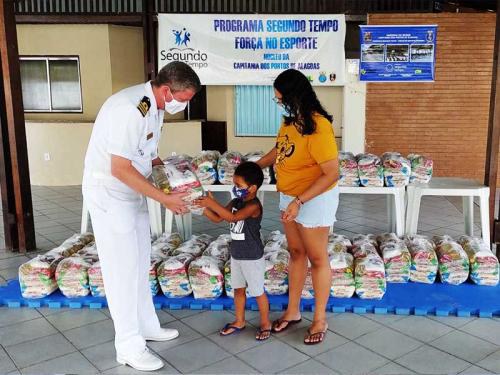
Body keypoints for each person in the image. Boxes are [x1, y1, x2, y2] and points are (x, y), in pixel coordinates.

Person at [82, 61, 201, 371]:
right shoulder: (129, 109)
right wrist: (165, 199)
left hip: (132, 191)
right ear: (166, 90)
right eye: (184, 99)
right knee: (120, 270)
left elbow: (148, 155)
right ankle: (128, 346)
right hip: (110, 193)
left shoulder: (153, 107)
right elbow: (119, 167)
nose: (184, 105)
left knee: (139, 260)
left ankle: (146, 325)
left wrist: (178, 178)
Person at [257, 69, 340, 345]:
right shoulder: (290, 123)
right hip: (289, 196)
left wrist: (299, 201)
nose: (279, 103)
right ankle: (293, 311)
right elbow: (279, 150)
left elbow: (331, 173)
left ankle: (319, 318)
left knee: (317, 258)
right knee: (295, 252)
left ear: (295, 96)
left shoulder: (318, 126)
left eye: (281, 99)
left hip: (313, 199)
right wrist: (254, 166)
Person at [195, 162, 272, 341]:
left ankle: (266, 322)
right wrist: (201, 206)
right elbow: (217, 218)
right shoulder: (236, 201)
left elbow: (232, 217)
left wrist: (212, 202)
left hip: (252, 257)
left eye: (239, 185)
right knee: (238, 290)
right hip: (237, 255)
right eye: (234, 184)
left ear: (252, 188)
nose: (235, 188)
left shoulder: (254, 206)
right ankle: (239, 321)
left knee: (258, 291)